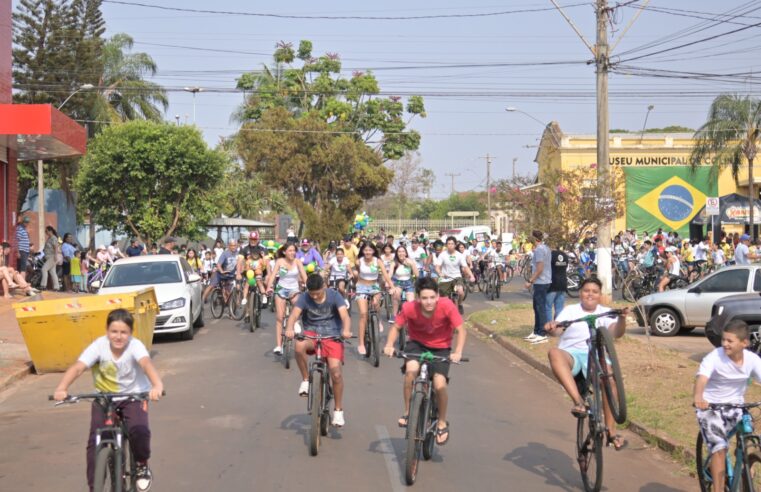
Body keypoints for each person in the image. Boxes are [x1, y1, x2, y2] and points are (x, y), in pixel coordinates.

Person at [53, 309, 164, 492]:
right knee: (95, 442)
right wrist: (62, 388)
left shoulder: (135, 346)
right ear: (107, 330)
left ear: (130, 333)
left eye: (123, 332)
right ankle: (94, 486)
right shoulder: (99, 346)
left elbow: (146, 364)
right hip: (103, 397)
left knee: (139, 430)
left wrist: (157, 386)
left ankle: (142, 465)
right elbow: (78, 367)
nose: (118, 336)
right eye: (114, 331)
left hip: (133, 396)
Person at [545, 277, 630, 451]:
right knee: (554, 352)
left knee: (610, 382)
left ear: (600, 295)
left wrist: (622, 319)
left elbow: (616, 333)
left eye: (594, 291)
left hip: (596, 357)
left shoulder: (605, 312)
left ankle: (612, 432)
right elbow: (558, 330)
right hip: (572, 355)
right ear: (580, 293)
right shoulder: (570, 310)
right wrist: (552, 326)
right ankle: (578, 402)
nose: (590, 294)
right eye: (586, 291)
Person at [383, 277, 466, 445]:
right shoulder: (409, 308)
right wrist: (389, 345)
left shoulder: (447, 306)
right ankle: (408, 413)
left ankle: (441, 422)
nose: (429, 302)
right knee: (410, 372)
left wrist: (457, 352)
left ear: (437, 296)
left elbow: (461, 330)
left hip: (441, 347)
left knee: (439, 384)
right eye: (424, 298)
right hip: (417, 345)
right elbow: (396, 327)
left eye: (432, 297)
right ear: (418, 298)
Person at [694, 320, 761, 492]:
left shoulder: (752, 360)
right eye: (724, 340)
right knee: (719, 448)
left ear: (744, 342)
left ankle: (747, 463)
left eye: (730, 341)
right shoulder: (714, 357)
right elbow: (702, 379)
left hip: (736, 406)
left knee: (750, 435)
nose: (725, 344)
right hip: (711, 407)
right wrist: (698, 397)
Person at [286, 274, 352, 426]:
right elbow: (294, 315)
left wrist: (346, 330)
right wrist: (289, 328)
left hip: (333, 334)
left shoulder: (334, 296)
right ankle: (306, 380)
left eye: (317, 292)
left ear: (324, 286)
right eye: (312, 293)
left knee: (336, 374)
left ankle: (338, 410)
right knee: (299, 345)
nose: (314, 296)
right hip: (311, 333)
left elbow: (345, 316)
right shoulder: (304, 297)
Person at [266, 243, 308, 355]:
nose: (292, 253)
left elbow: (304, 276)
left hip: (294, 289)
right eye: (290, 250)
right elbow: (273, 275)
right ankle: (279, 346)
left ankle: (295, 321)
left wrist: (309, 287)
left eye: (294, 250)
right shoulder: (280, 261)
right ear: (284, 252)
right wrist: (269, 287)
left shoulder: (298, 262)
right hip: (281, 289)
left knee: (297, 305)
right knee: (280, 317)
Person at [353, 240, 393, 356]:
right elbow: (358, 273)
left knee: (376, 304)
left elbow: (385, 275)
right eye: (365, 250)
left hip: (374, 286)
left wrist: (392, 286)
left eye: (370, 250)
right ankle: (361, 343)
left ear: (374, 251)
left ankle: (378, 319)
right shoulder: (359, 261)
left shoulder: (378, 261)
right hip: (361, 287)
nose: (367, 252)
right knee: (363, 314)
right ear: (362, 251)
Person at [434, 236, 475, 315]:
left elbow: (465, 267)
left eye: (452, 244)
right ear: (446, 245)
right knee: (442, 298)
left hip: (456, 277)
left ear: (455, 245)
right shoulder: (442, 255)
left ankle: (459, 304)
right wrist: (440, 273)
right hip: (445, 278)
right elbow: (437, 267)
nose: (450, 245)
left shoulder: (459, 255)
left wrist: (471, 275)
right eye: (448, 244)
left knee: (460, 291)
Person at [525, 230, 552, 344]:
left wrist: (530, 281)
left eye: (531, 238)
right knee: (537, 307)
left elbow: (540, 268)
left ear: (535, 239)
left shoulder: (539, 250)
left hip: (541, 282)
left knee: (540, 308)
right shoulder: (546, 248)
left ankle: (542, 333)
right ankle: (536, 331)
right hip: (544, 281)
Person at [201, 238, 239, 303]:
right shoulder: (225, 253)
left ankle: (230, 302)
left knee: (230, 291)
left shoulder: (238, 253)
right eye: (232, 245)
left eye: (235, 245)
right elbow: (218, 264)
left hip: (230, 275)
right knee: (211, 286)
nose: (233, 247)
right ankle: (202, 299)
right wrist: (221, 271)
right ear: (229, 246)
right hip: (220, 274)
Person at [391, 245, 419, 322]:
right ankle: (394, 314)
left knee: (411, 302)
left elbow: (417, 275)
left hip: (409, 283)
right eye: (399, 251)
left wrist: (412, 264)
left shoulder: (410, 261)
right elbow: (389, 275)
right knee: (396, 296)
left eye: (403, 251)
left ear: (406, 253)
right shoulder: (394, 263)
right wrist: (390, 285)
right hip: (398, 283)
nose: (401, 253)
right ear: (397, 253)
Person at [546, 245, 568, 321]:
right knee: (560, 307)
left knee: (547, 307)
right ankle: (558, 326)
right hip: (563, 283)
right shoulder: (564, 255)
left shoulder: (550, 256)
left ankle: (549, 327)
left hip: (552, 284)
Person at [40, 226, 60, 291]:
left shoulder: (53, 238)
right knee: (52, 272)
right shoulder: (49, 238)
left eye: (46, 231)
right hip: (48, 257)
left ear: (50, 231)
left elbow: (56, 247)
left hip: (52, 257)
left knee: (44, 269)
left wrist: (56, 255)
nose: (46, 233)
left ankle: (43, 285)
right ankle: (56, 287)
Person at [15, 215, 31, 280]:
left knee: (23, 267)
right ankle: (23, 283)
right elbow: (16, 241)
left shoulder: (24, 229)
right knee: (23, 267)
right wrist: (18, 252)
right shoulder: (19, 229)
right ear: (22, 222)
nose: (27, 224)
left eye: (27, 222)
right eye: (25, 222)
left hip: (25, 251)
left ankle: (21, 282)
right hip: (22, 250)